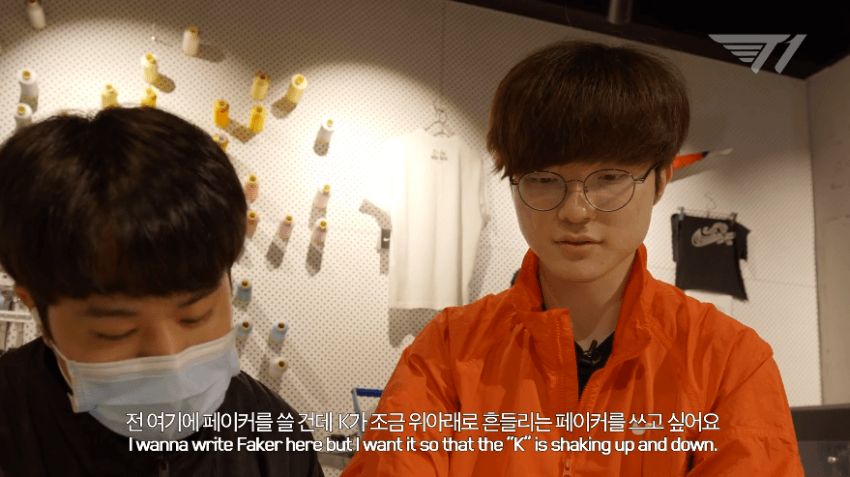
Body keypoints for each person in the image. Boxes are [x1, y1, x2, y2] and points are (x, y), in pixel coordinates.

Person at [340, 39, 805, 476]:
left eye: (610, 178)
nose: (575, 211)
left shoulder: (729, 359)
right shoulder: (447, 349)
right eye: (543, 180)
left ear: (661, 180)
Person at [0, 107, 324, 477]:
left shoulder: (276, 437)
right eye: (115, 331)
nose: (171, 360)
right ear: (35, 308)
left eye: (196, 315)